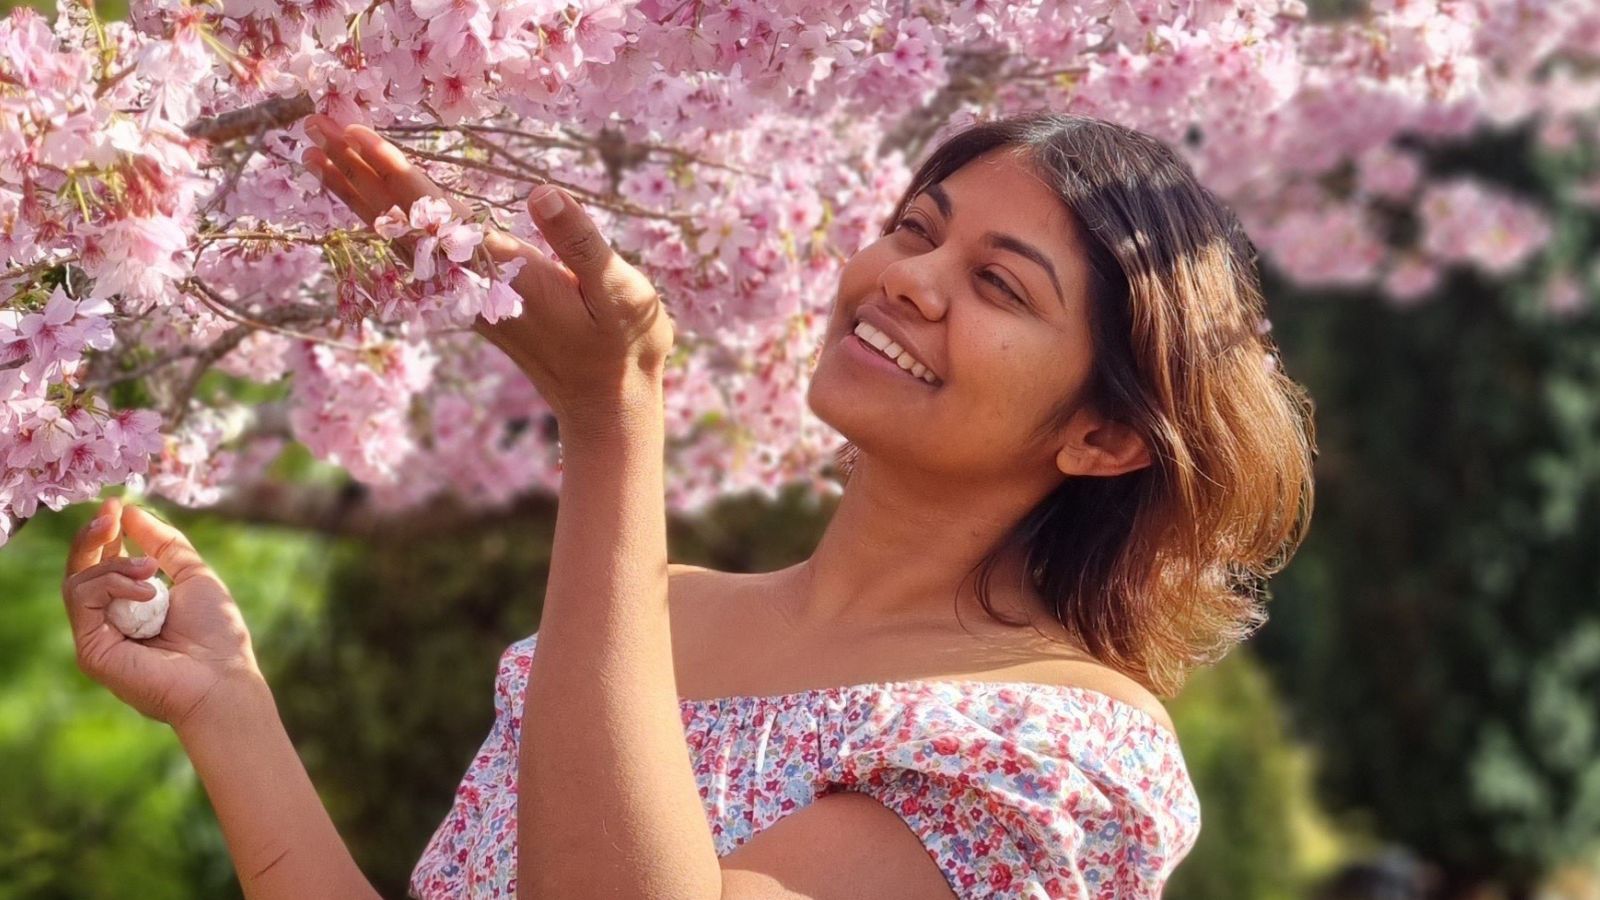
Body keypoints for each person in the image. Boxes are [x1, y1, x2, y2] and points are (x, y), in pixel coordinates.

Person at [61, 112, 1315, 898]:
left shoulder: (1062, 755)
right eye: (914, 229)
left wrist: (613, 420)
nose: (908, 280)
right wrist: (226, 708)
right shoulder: (637, 622)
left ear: (1102, 436)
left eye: (998, 283)